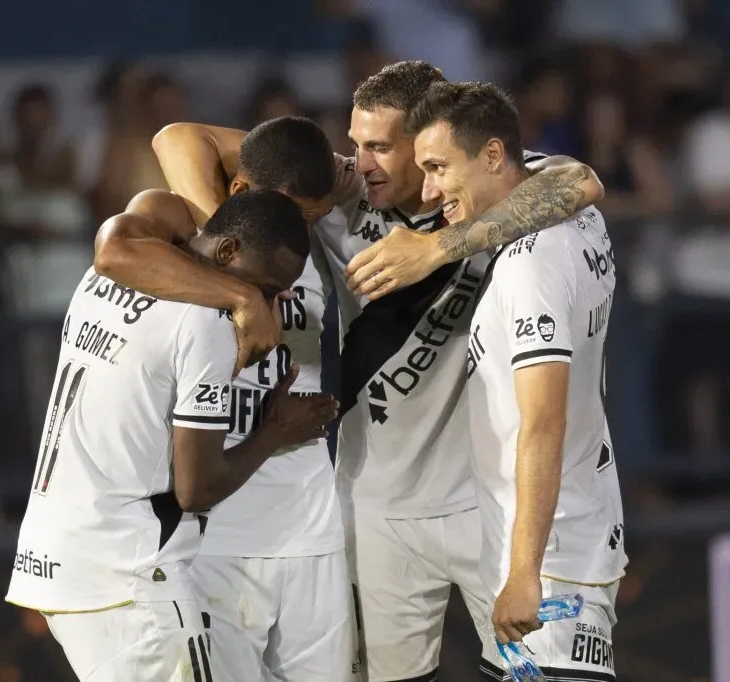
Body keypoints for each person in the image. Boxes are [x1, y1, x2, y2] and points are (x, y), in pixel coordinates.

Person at [148, 61, 605, 681]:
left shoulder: (494, 190)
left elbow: (580, 181)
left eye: (381, 147)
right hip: (377, 501)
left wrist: (440, 248)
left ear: (434, 143)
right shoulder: (346, 193)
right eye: (357, 144)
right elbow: (178, 138)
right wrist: (237, 266)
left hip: (486, 501)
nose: (360, 162)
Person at [6, 189, 338, 682]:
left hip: (56, 555)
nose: (271, 306)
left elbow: (147, 205)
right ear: (228, 253)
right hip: (131, 579)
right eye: (268, 287)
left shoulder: (108, 273)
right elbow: (195, 487)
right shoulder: (206, 323)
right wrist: (274, 431)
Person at [98, 116, 357, 681]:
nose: (301, 226)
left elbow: (271, 153)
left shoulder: (301, 247)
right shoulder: (197, 239)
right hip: (212, 541)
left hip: (310, 529)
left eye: (311, 218)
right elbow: (174, 136)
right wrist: (243, 297)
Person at [406, 80, 626, 681]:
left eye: (437, 167)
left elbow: (544, 422)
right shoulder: (580, 219)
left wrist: (525, 573)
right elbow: (570, 178)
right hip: (560, 536)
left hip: (548, 562)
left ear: (495, 156)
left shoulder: (532, 264)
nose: (428, 191)